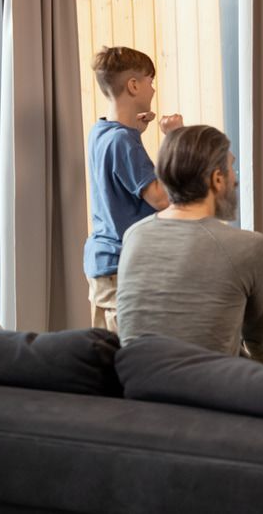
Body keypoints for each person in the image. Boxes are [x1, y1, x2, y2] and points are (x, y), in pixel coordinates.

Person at [116, 125, 263, 367]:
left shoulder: (133, 236)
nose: (235, 179)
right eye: (231, 168)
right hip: (209, 395)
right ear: (217, 178)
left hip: (135, 389)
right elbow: (261, 348)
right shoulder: (250, 247)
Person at [83, 47, 183, 332]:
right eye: (151, 81)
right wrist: (173, 139)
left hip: (103, 262)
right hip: (120, 264)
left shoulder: (100, 132)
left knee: (106, 355)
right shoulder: (123, 142)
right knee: (128, 356)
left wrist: (135, 134)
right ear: (133, 85)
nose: (152, 90)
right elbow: (161, 198)